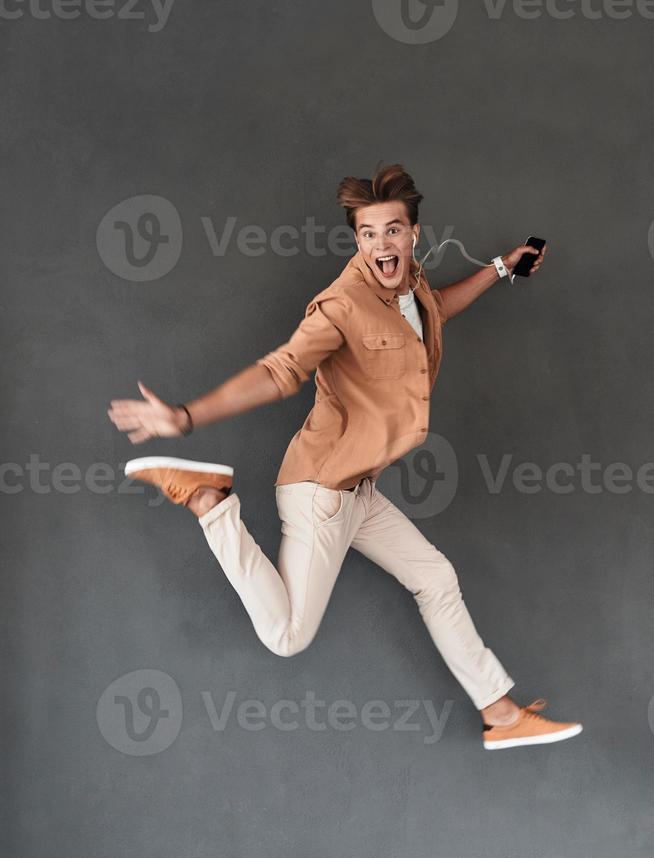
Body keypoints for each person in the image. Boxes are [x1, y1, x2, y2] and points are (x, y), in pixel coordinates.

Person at [107, 163, 582, 750]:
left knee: (436, 577)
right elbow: (281, 371)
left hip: (360, 492)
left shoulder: (411, 284)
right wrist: (185, 416)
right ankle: (209, 503)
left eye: (392, 231)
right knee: (286, 637)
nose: (382, 245)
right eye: (368, 234)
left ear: (413, 235)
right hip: (321, 491)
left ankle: (503, 716)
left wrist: (502, 267)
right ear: (356, 240)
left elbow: (435, 310)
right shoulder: (341, 304)